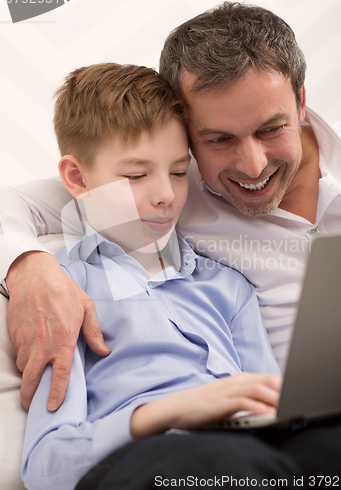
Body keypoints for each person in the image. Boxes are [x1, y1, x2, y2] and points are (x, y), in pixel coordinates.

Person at [1, 1, 341, 407]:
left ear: (299, 101)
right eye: (219, 140)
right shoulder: (168, 192)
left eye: (271, 129)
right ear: (187, 133)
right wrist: (28, 266)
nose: (253, 165)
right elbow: (13, 204)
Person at [21, 62, 282, 490]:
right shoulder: (65, 291)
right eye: (136, 176)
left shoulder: (228, 287)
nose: (165, 195)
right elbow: (46, 464)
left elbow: (272, 406)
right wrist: (168, 411)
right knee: (216, 461)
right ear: (77, 177)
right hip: (145, 460)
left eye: (179, 173)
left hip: (244, 454)